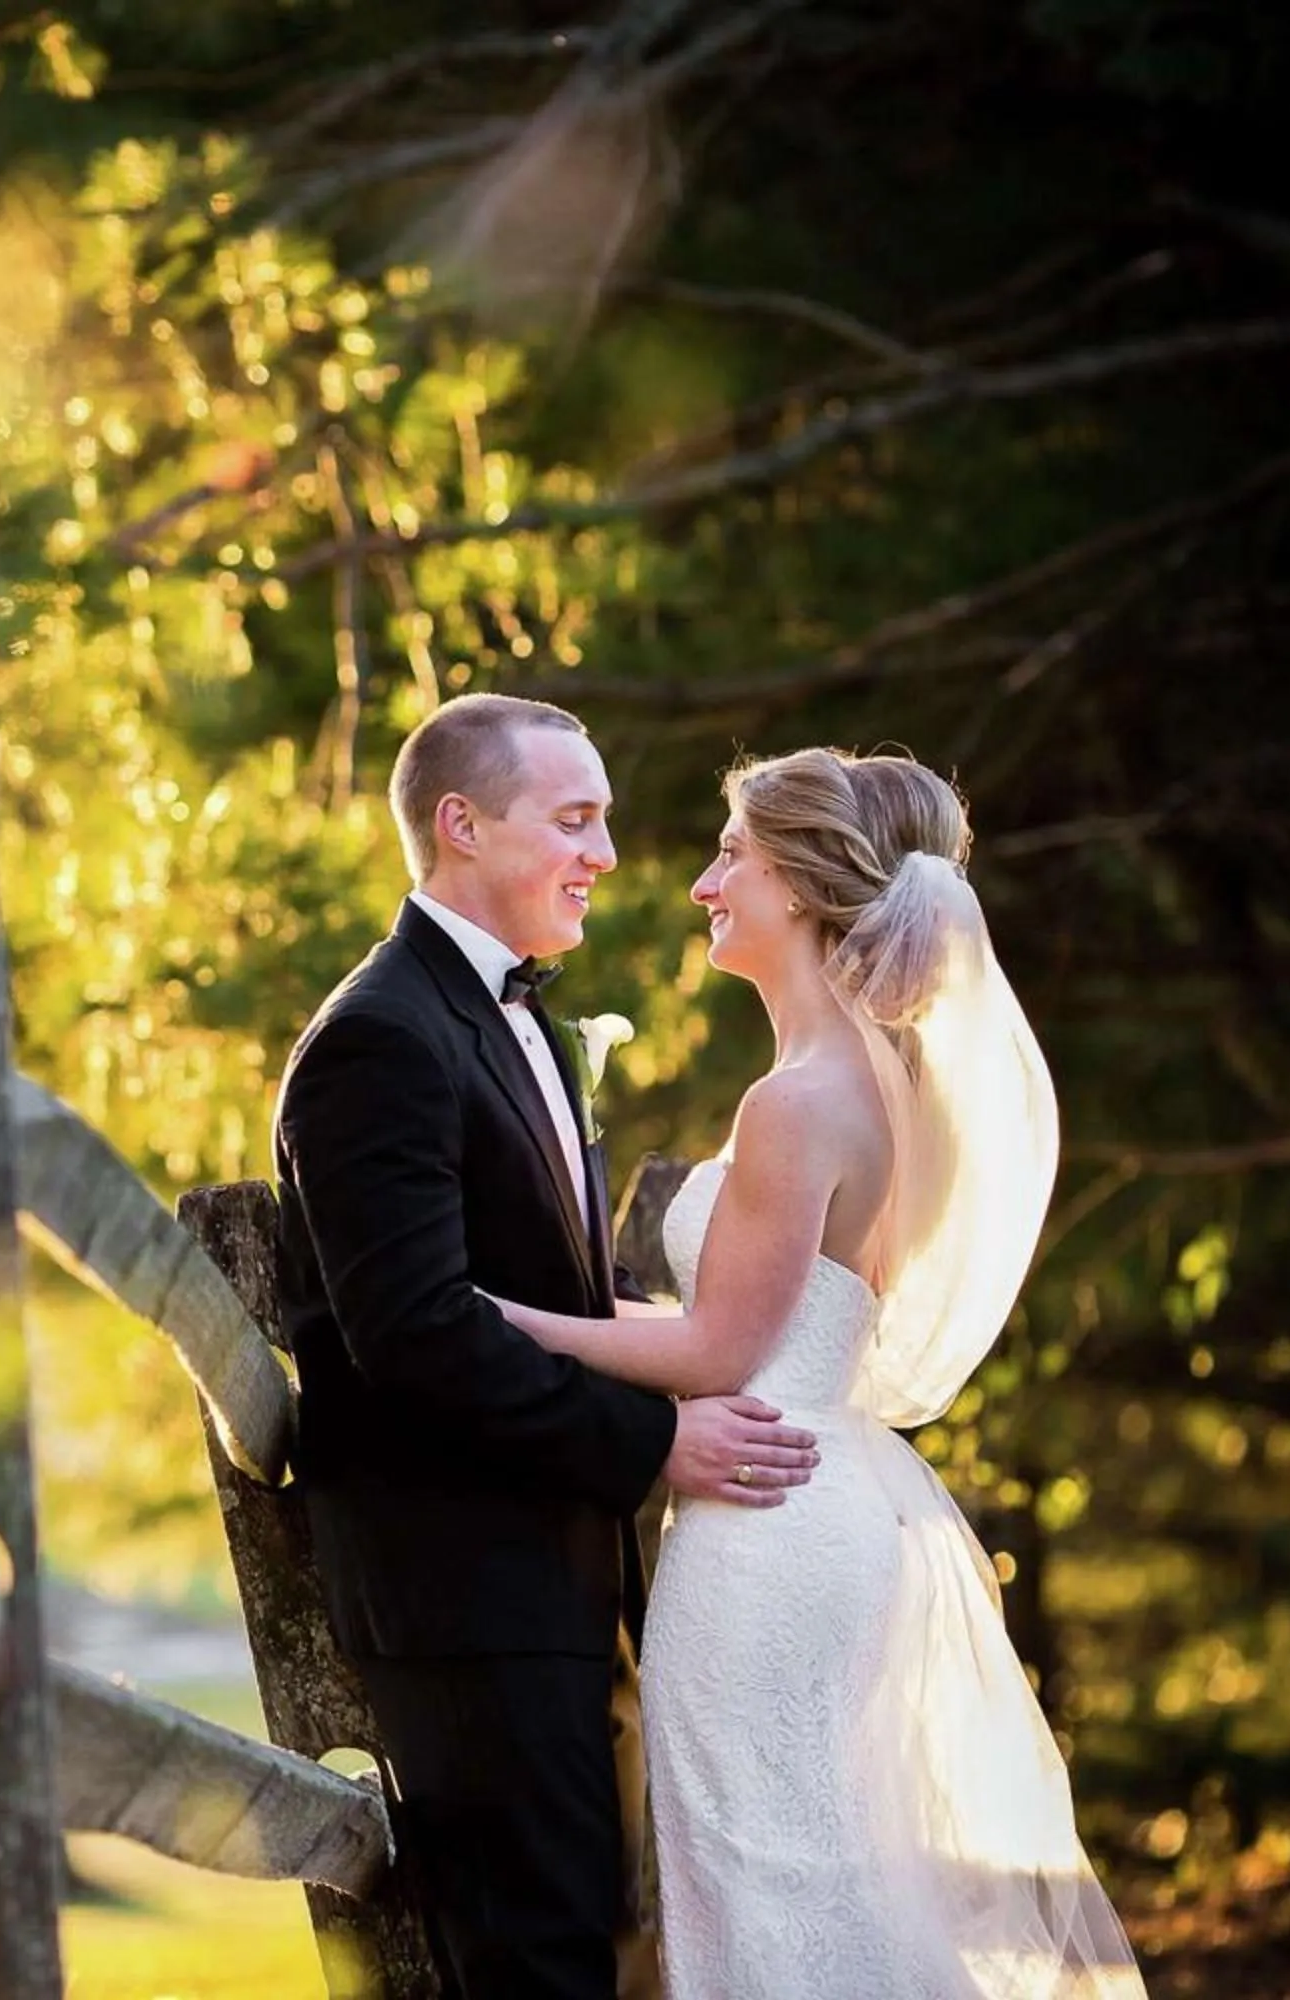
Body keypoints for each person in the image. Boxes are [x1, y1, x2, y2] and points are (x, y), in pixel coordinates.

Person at [489, 746, 1148, 1999]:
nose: (705, 884)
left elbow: (718, 1350)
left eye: (730, 852)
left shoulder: (796, 1103)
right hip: (819, 1496)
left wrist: (498, 1316)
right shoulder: (885, 1084)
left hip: (764, 1525)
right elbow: (766, 1321)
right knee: (817, 1869)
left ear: (797, 882)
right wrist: (575, 1306)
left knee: (764, 1888)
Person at [273, 693, 821, 1999]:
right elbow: (416, 1336)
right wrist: (658, 1440)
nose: (607, 855)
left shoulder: (506, 1020)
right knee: (541, 1967)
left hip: (550, 1585)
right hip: (467, 1595)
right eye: (575, 820)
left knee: (594, 1949)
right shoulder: (378, 1039)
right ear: (462, 825)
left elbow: (552, 1291)